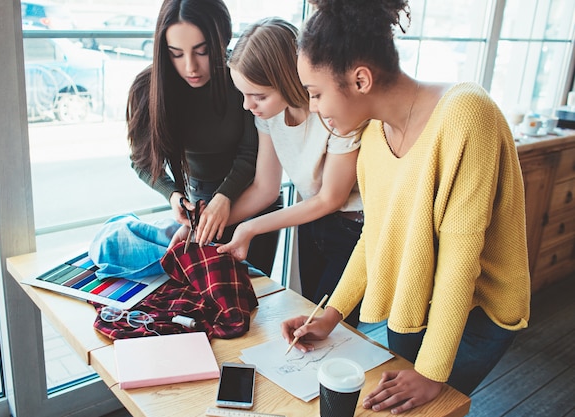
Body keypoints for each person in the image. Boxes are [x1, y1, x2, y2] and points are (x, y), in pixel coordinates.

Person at [281, 0, 531, 413]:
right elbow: (374, 237)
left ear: (360, 79)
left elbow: (460, 260)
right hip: (417, 302)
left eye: (316, 93)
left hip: (476, 314)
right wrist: (331, 315)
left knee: (428, 408)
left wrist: (433, 373)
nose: (313, 107)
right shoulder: (375, 139)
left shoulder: (467, 113)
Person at [211, 17, 363, 326]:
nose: (247, 105)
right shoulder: (268, 115)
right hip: (310, 223)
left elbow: (330, 198)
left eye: (259, 96)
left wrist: (250, 228)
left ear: (289, 79)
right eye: (243, 94)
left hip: (352, 232)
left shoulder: (334, 112)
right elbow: (265, 188)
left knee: (336, 330)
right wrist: (210, 223)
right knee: (308, 316)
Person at [126, 0, 281, 275]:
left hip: (253, 203)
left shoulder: (242, 79)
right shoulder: (147, 89)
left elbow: (251, 155)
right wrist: (173, 195)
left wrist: (224, 197)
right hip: (199, 209)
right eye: (176, 53)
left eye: (202, 51)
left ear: (223, 38)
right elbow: (142, 161)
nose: (191, 67)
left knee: (253, 303)